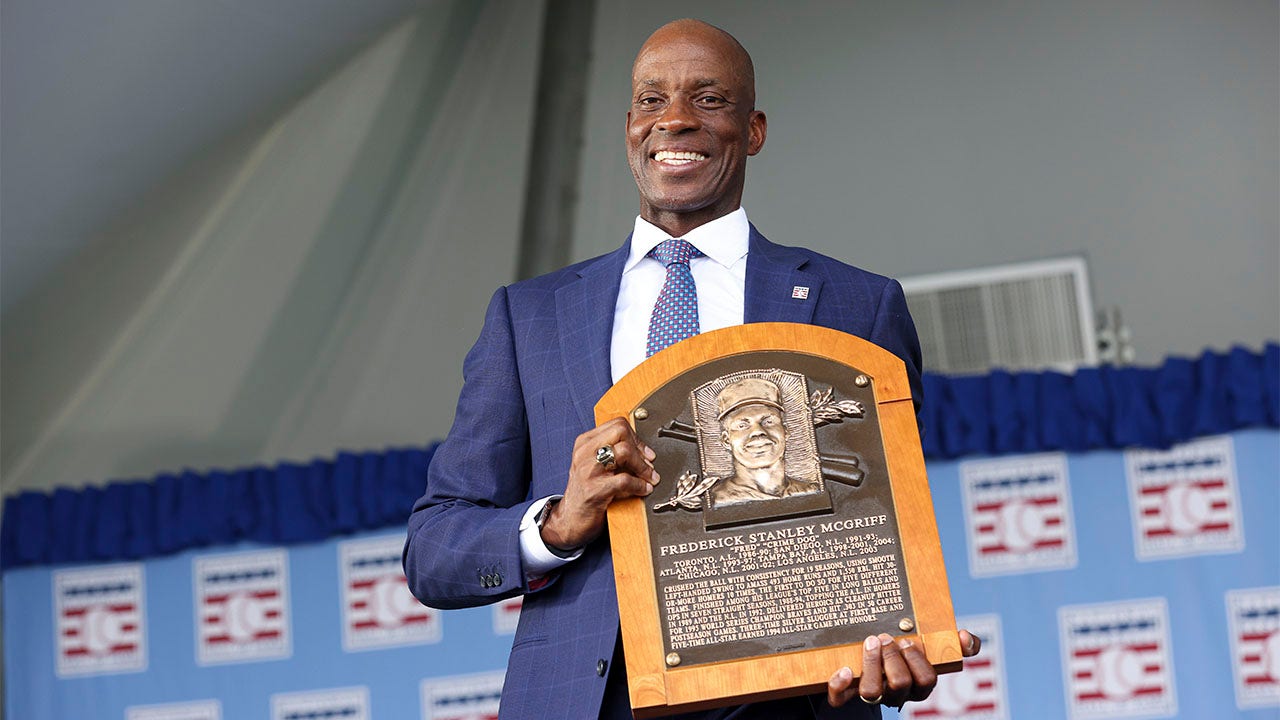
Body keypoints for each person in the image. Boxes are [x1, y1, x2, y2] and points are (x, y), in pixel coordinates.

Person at [404, 18, 980, 719]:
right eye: (652, 101)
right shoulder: (530, 318)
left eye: (708, 100)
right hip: (592, 699)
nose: (674, 120)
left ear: (755, 128)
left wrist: (895, 641)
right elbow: (435, 549)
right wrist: (559, 521)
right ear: (628, 129)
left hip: (794, 701)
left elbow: (880, 526)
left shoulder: (856, 303)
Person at [708, 376, 821, 506]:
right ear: (726, 440)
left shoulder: (810, 490)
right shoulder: (717, 499)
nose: (757, 431)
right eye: (742, 425)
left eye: (768, 421)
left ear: (785, 431)